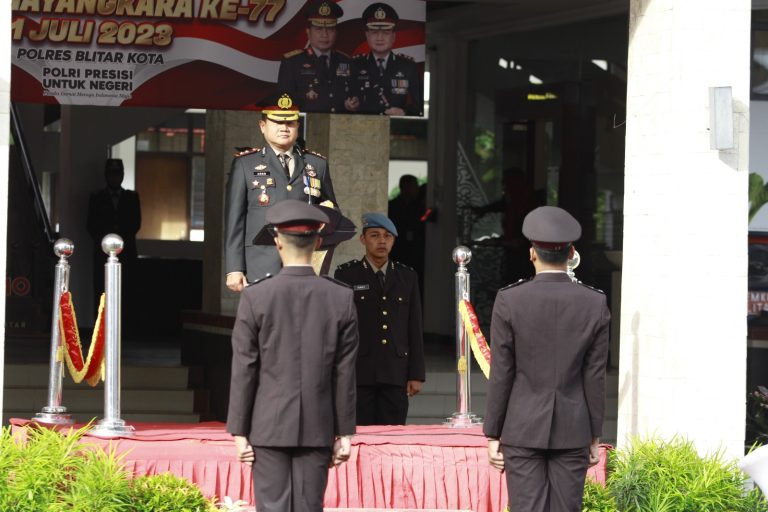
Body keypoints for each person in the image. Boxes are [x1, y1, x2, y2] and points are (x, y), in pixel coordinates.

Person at [226, 200, 359, 512]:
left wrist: (239, 432)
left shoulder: (255, 296)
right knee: (309, 507)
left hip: (267, 426)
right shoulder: (341, 297)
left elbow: (244, 368)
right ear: (318, 242)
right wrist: (345, 432)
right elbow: (345, 371)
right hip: (319, 425)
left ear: (277, 241)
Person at [483, 206, 610, 512]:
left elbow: (502, 372)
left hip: (522, 426)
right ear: (572, 253)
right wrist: (594, 434)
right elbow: (595, 376)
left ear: (531, 253)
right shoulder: (594, 302)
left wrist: (493, 432)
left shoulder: (510, 299)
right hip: (574, 427)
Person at [224, 93, 338, 292]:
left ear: (297, 126)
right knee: (265, 321)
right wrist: (234, 268)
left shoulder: (316, 164)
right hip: (260, 264)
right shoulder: (245, 164)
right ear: (262, 126)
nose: (284, 128)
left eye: (290, 123)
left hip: (305, 264)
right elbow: (235, 220)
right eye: (277, 122)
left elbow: (331, 212)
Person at [334, 212, 425, 425]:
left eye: (387, 236)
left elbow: (414, 326)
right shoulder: (347, 275)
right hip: (359, 371)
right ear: (363, 239)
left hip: (395, 372)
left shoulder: (407, 276)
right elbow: (340, 326)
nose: (382, 241)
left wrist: (416, 373)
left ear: (394, 240)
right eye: (375, 235)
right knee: (360, 434)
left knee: (392, 436)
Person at [86, 158, 141, 324]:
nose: (114, 178)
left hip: (126, 252)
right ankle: (101, 326)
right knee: (101, 289)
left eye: (118, 174)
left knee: (126, 289)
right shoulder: (97, 198)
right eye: (111, 174)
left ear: (122, 176)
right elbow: (90, 225)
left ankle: (125, 326)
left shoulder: (131, 197)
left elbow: (135, 224)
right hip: (102, 252)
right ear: (106, 176)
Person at [277, 0, 355, 113]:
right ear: (308, 32)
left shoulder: (345, 61)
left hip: (339, 127)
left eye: (330, 29)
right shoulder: (292, 62)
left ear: (336, 33)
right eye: (318, 29)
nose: (324, 35)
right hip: (306, 127)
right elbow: (284, 103)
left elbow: (354, 96)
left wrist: (352, 105)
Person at [348, 2, 423, 116]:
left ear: (394, 36)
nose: (380, 38)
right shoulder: (355, 65)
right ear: (367, 35)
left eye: (386, 32)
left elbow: (420, 105)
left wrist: (404, 112)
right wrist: (349, 104)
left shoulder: (408, 67)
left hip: (395, 128)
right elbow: (342, 99)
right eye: (374, 32)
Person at [388, 174, 426, 295]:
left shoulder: (419, 208)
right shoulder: (393, 206)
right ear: (405, 187)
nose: (416, 189)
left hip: (416, 254)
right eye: (414, 186)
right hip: (398, 251)